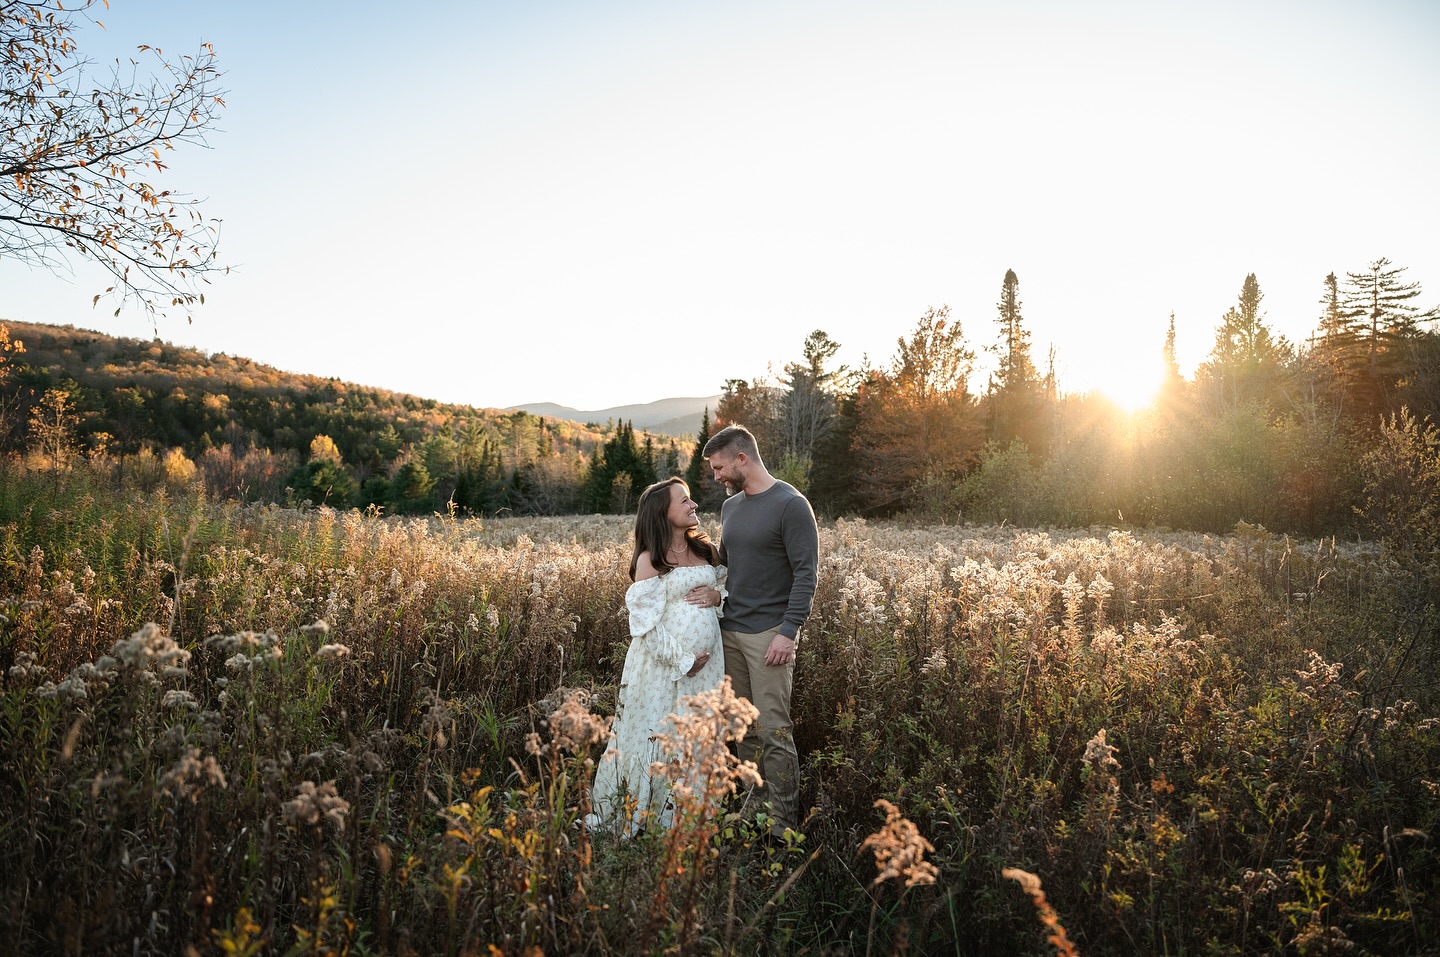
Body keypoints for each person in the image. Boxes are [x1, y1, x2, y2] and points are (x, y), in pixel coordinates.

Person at [590, 477, 726, 832]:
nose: (693, 505)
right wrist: (684, 660)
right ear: (662, 513)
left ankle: (690, 817)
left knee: (696, 735)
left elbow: (726, 587)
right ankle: (649, 817)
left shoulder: (707, 551)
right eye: (685, 501)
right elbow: (646, 625)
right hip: (661, 669)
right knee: (656, 732)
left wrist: (717, 597)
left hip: (708, 671)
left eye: (691, 500)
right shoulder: (651, 559)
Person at [702, 424, 818, 834]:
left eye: (719, 468)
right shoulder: (731, 508)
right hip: (729, 630)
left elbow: (806, 573)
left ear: (741, 459)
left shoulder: (791, 505)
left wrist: (789, 631)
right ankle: (755, 810)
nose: (716, 477)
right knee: (744, 728)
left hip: (770, 634)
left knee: (774, 730)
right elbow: (728, 564)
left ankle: (782, 827)